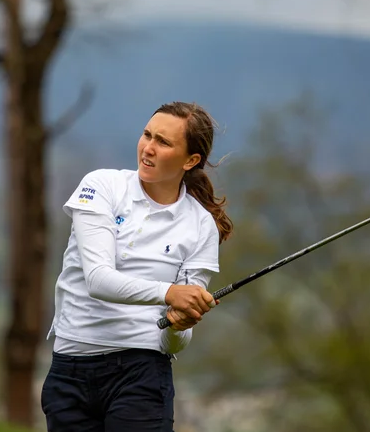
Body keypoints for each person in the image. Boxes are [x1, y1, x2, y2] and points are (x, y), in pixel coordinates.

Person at [40, 101, 233, 432]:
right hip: (69, 369)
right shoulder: (101, 186)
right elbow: (99, 280)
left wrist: (177, 324)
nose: (149, 148)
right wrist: (171, 294)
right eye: (147, 135)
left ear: (190, 160)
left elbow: (175, 342)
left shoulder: (202, 227)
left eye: (164, 142)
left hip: (141, 373)